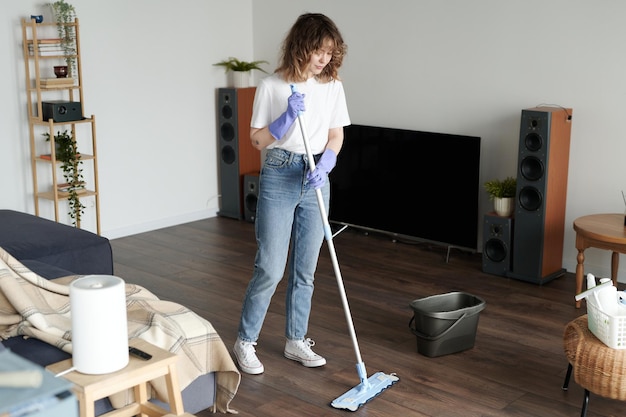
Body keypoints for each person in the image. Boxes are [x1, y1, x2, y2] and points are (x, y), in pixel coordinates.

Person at [233, 13, 350, 375]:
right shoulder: (272, 86)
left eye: (329, 53)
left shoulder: (332, 86)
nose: (323, 59)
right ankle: (245, 342)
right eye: (318, 51)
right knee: (270, 266)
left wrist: (327, 163)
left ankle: (296, 340)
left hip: (315, 176)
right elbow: (256, 140)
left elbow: (336, 135)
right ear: (302, 46)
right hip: (280, 173)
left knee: (306, 269)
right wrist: (284, 119)